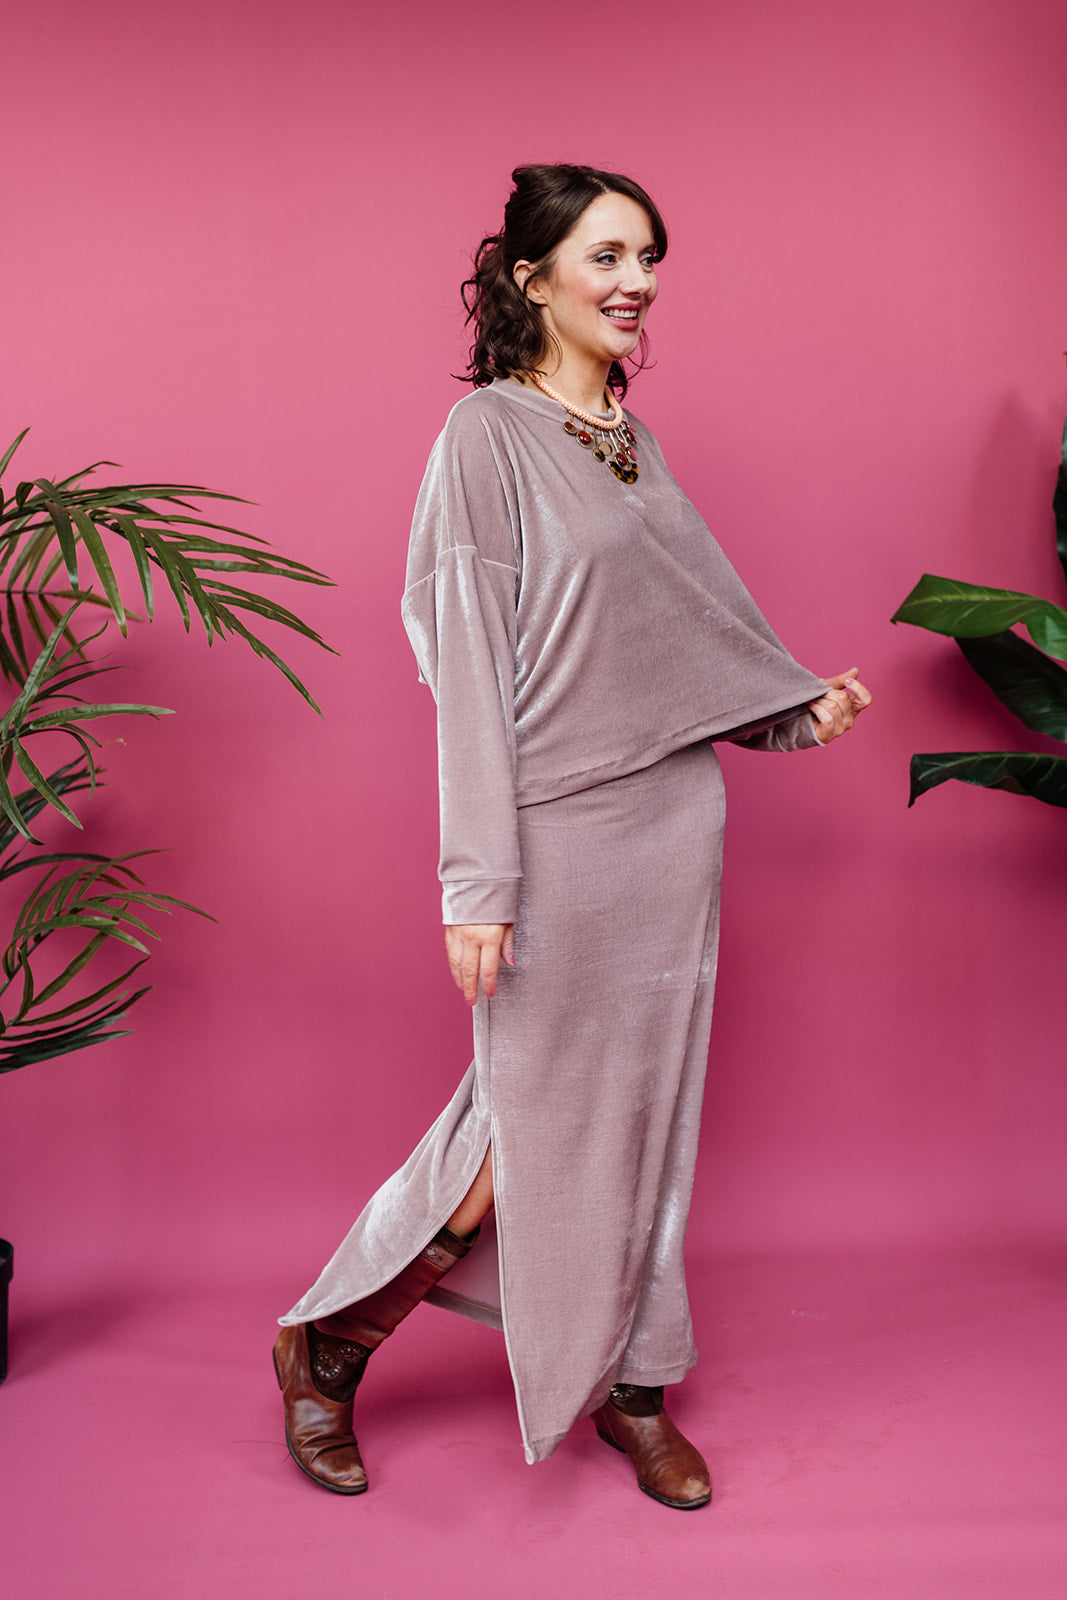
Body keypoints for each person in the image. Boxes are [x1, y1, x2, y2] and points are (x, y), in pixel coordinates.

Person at [274, 164, 869, 1509]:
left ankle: (637, 1384)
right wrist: (477, 883)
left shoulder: (632, 442)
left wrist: (794, 712)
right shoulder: (486, 435)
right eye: (607, 255)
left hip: (674, 830)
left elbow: (687, 634)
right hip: (555, 841)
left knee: (653, 1118)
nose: (636, 281)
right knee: (527, 1129)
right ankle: (331, 1340)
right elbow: (468, 665)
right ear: (531, 278)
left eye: (648, 256)